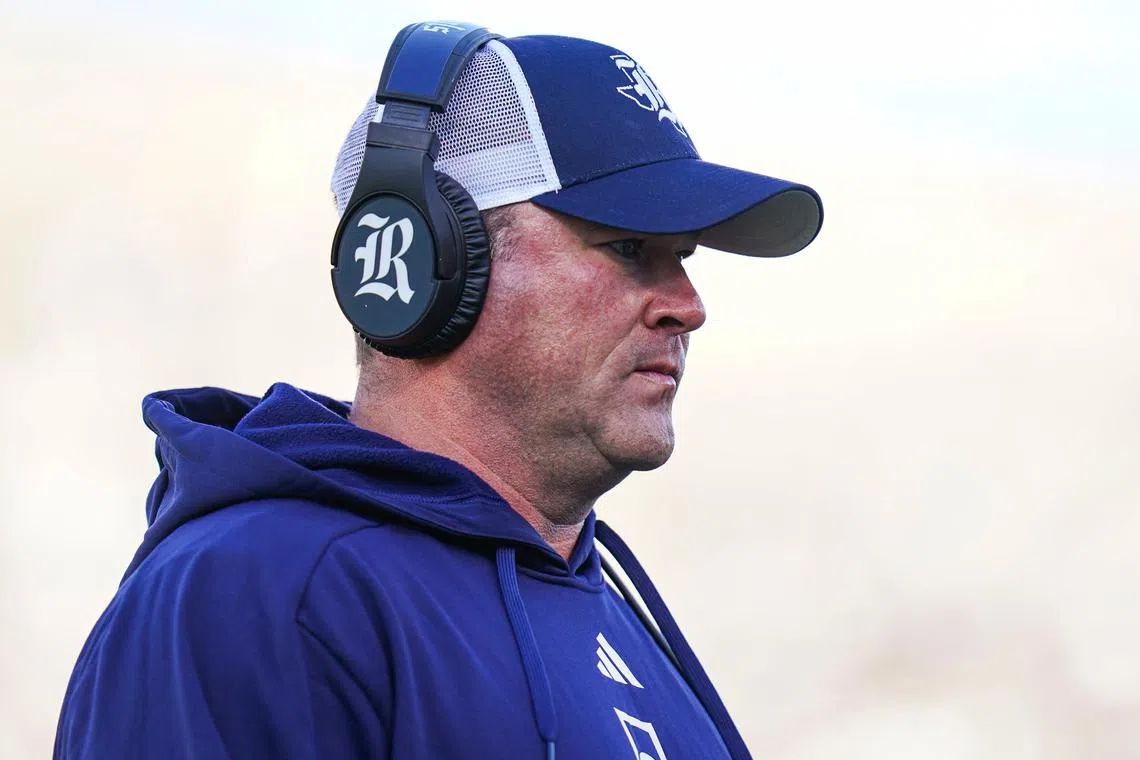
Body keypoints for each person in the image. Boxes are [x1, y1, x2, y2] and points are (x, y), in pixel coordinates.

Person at [54, 21, 822, 760]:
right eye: (627, 248)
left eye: (683, 257)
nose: (688, 305)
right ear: (426, 259)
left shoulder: (611, 612)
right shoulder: (260, 592)